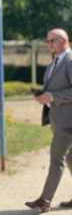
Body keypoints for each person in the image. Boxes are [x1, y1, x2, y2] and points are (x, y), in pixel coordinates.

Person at [25, 28, 72, 213]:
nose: (49, 44)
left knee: (56, 158)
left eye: (53, 40)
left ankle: (44, 201)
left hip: (68, 122)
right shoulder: (52, 65)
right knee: (70, 159)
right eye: (48, 41)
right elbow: (50, 90)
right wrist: (41, 95)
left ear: (64, 40)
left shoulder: (70, 62)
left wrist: (51, 97)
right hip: (57, 121)